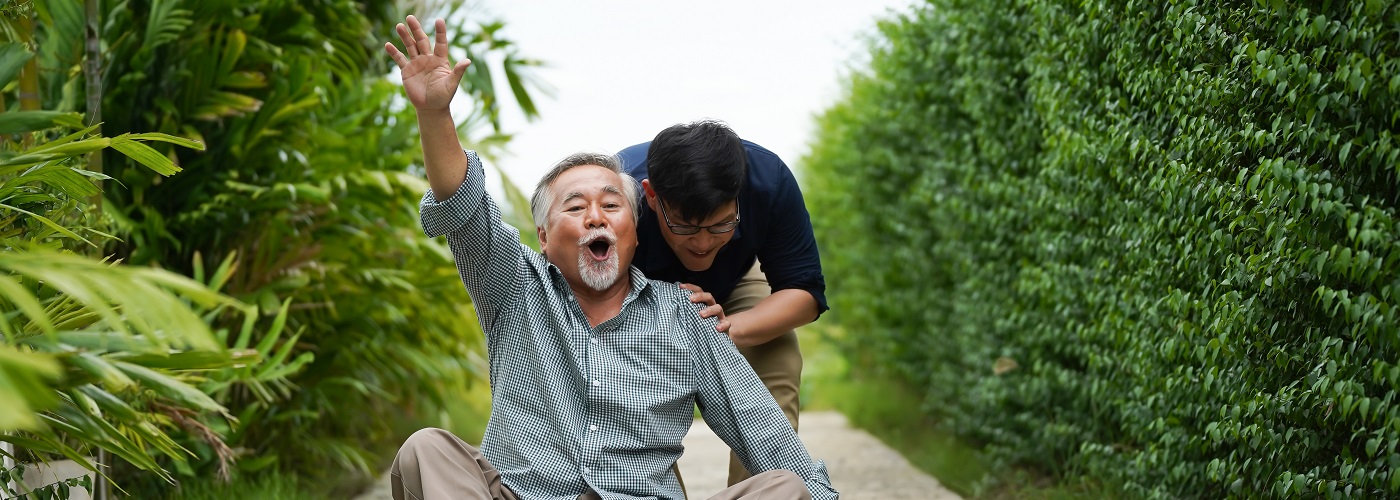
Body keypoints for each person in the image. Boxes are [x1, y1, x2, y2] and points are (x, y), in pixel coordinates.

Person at [383, 15, 838, 500]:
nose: (596, 216)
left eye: (610, 205)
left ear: (634, 231)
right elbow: (464, 209)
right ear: (542, 234)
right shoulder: (513, 286)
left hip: (647, 478)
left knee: (786, 487)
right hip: (522, 492)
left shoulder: (686, 316)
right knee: (426, 449)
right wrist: (434, 115)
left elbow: (764, 431)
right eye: (575, 208)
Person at [616, 121, 826, 485]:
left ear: (739, 197)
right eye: (683, 226)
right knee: (623, 397)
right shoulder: (616, 194)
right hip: (633, 292)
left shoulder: (770, 180)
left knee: (778, 364)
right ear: (650, 196)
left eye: (720, 225)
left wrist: (730, 330)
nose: (701, 243)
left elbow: (804, 291)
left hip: (739, 279)